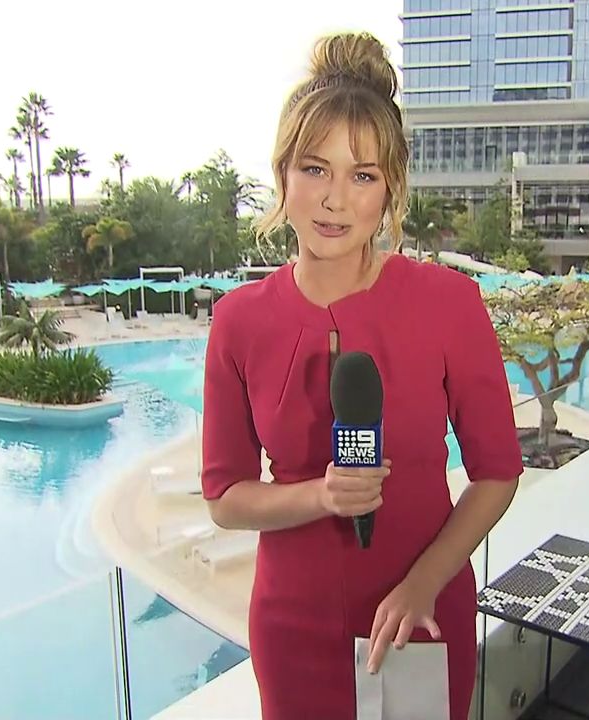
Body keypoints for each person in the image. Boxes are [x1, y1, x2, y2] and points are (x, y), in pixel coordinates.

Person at [200, 31, 523, 720]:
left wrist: (423, 585)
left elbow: (497, 473)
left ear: (391, 189)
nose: (335, 200)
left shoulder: (450, 304)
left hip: (417, 619)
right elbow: (225, 497)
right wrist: (321, 496)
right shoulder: (237, 321)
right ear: (283, 175)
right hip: (292, 629)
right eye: (315, 169)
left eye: (363, 175)